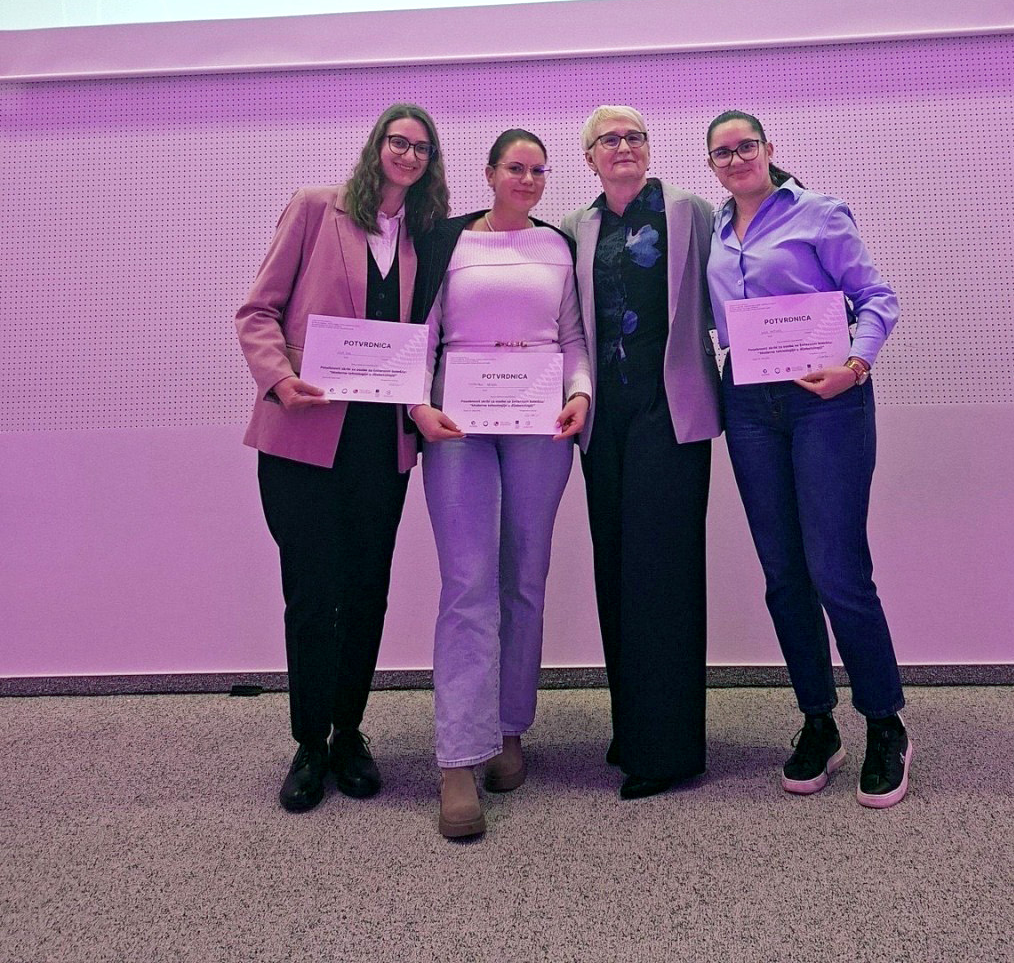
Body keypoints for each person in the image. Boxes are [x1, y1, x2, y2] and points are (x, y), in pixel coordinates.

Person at [236, 103, 449, 812]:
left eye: (421, 148)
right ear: (376, 146)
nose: (408, 155)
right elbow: (258, 312)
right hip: (304, 434)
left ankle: (349, 732)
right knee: (310, 593)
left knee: (366, 591)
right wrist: (278, 378)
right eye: (398, 142)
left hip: (380, 445)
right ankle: (309, 742)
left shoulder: (424, 237)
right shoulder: (314, 209)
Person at [704, 109, 910, 809]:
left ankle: (884, 721)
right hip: (747, 405)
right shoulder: (712, 231)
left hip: (826, 401)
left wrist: (855, 366)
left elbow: (876, 298)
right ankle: (818, 721)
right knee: (784, 575)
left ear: (769, 149)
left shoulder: (819, 213)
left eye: (746, 147)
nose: (736, 159)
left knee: (837, 570)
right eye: (722, 153)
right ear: (711, 165)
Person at [409, 129, 591, 840]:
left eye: (539, 170)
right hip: (459, 424)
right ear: (489, 174)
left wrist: (580, 392)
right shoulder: (448, 243)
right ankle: (457, 757)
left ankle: (510, 727)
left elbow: (571, 337)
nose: (528, 179)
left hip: (540, 425)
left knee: (525, 578)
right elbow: (424, 334)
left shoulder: (557, 246)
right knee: (467, 584)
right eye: (516, 167)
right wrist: (416, 406)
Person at [562, 106, 721, 800]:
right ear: (590, 157)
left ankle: (668, 750)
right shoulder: (575, 227)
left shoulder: (690, 212)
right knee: (617, 570)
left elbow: (732, 290)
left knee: (665, 573)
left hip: (670, 411)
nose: (623, 146)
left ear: (649, 149)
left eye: (634, 136)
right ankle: (632, 727)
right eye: (609, 139)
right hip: (604, 419)